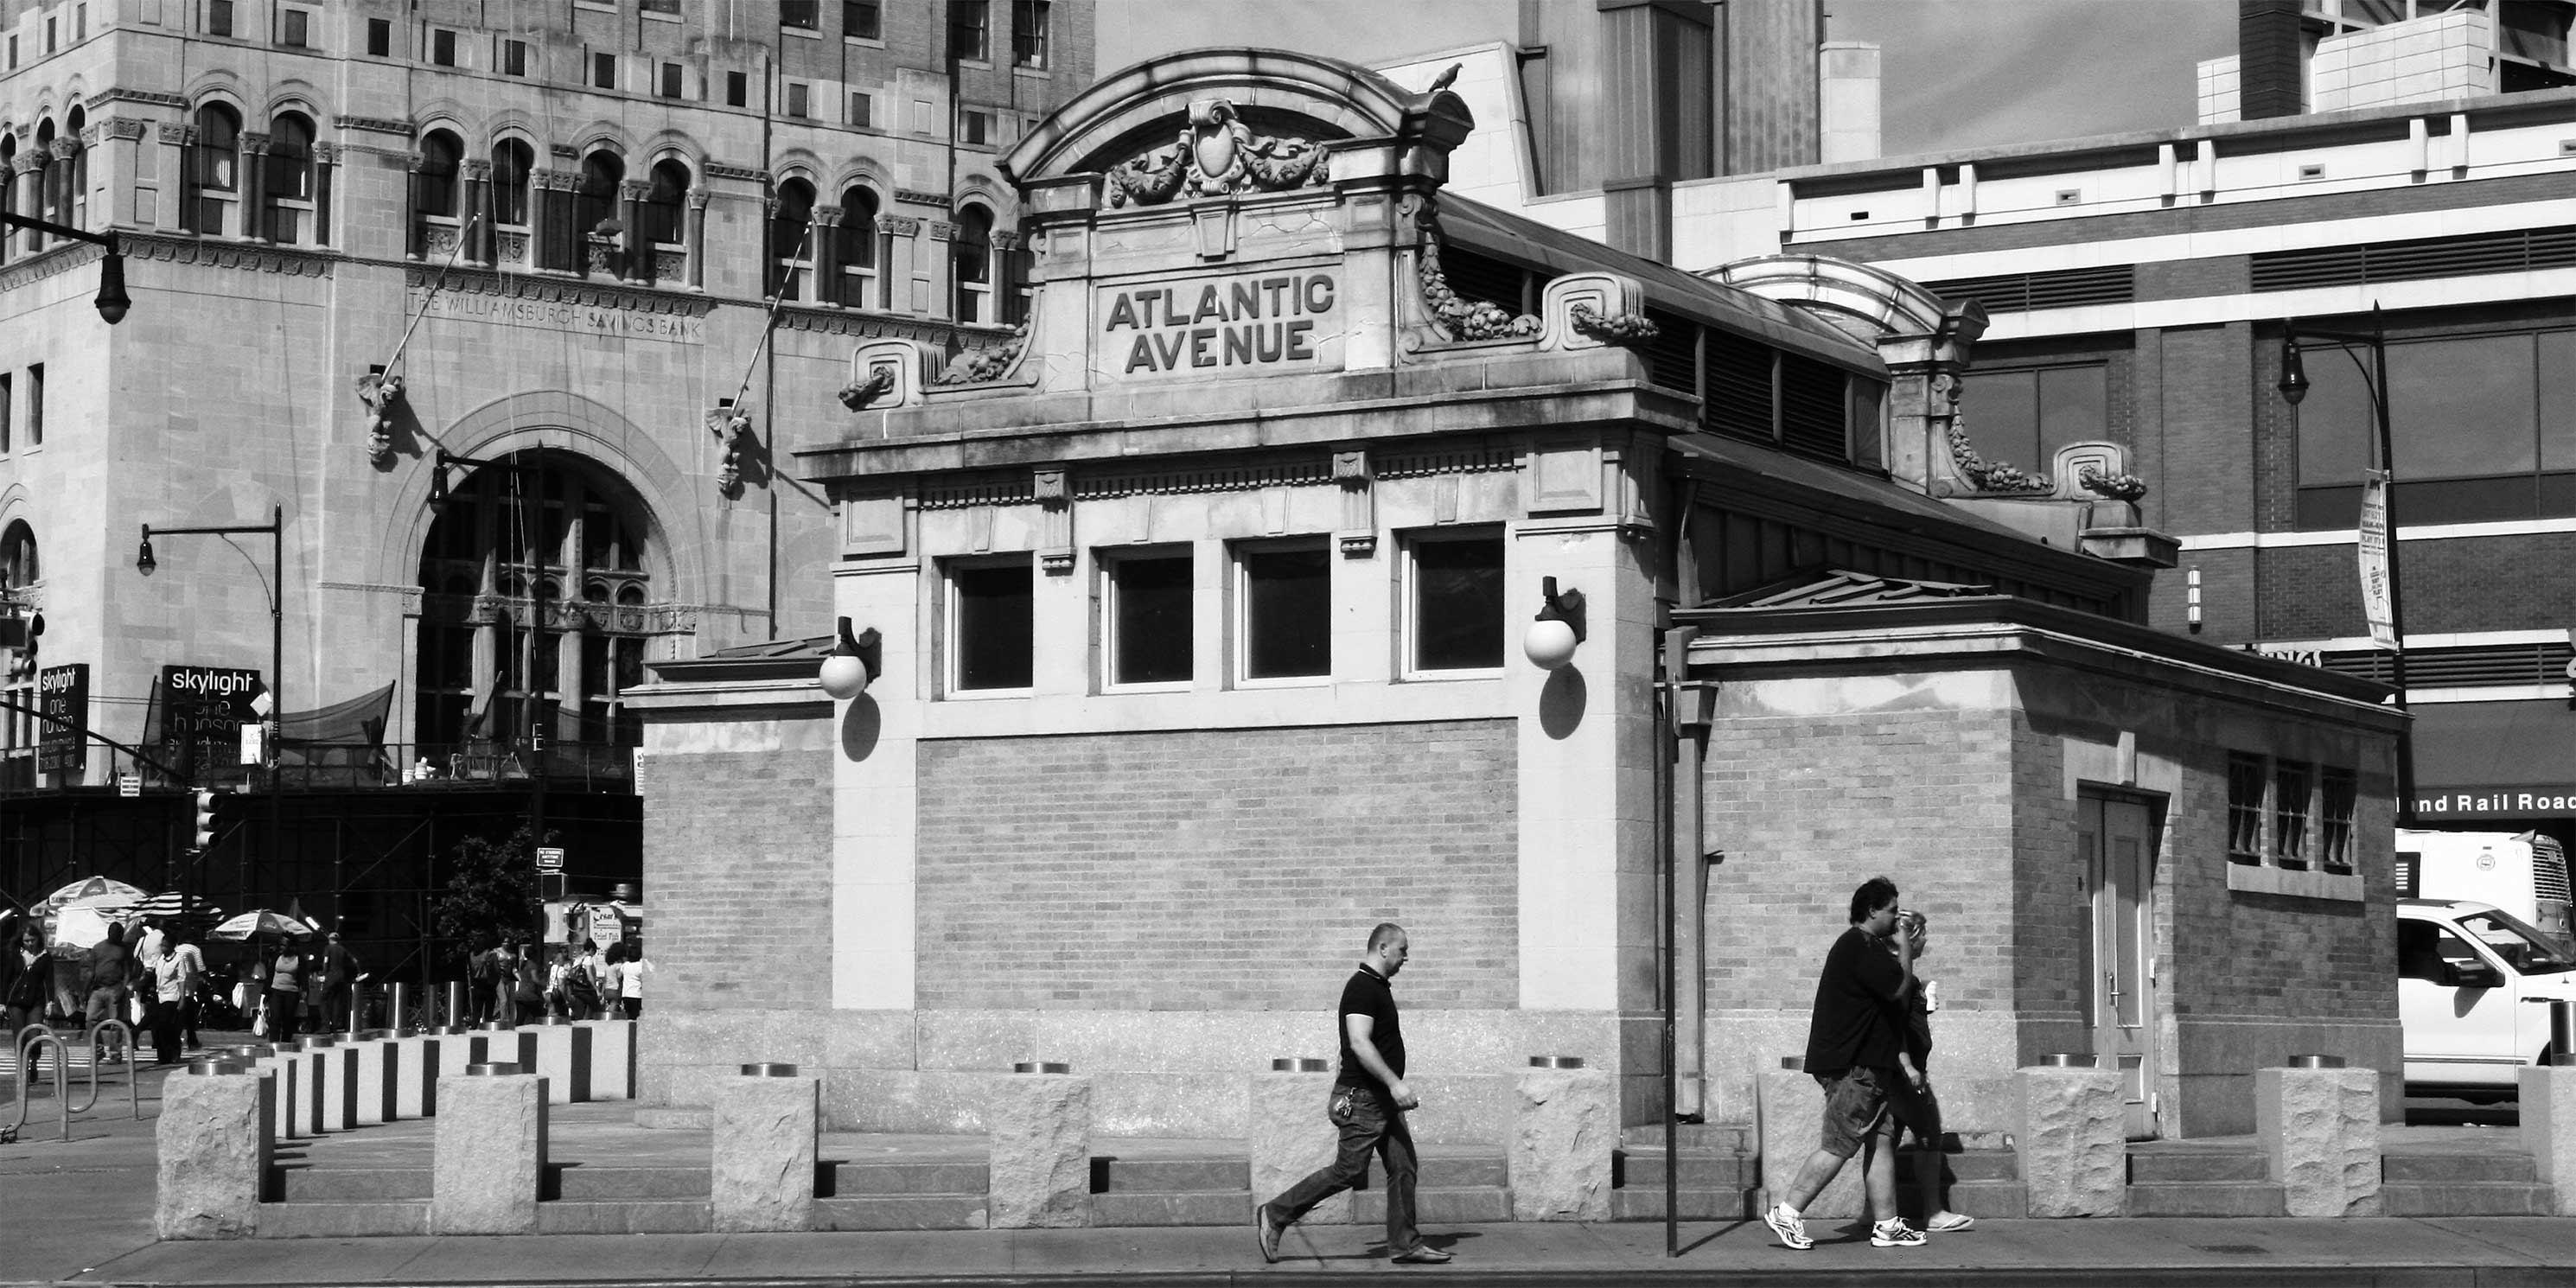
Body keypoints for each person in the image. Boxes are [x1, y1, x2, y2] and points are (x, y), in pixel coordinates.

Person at [1255, 922, 1451, 1266]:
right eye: (1403, 950)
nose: (1407, 957)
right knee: (1347, 1171)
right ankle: (1275, 1213)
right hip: (1364, 1098)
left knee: (1403, 1165)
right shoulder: (1362, 988)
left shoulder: (1377, 987)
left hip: (1380, 1100)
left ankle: (1405, 1243)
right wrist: (1395, 1083)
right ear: (1383, 948)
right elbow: (1360, 1043)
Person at [1763, 876, 1924, 1251]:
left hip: (1872, 1066)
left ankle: (1886, 1224)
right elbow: (1900, 989)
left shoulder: (1866, 948)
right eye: (1891, 912)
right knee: (1839, 1144)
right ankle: (1787, 1212)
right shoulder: (1859, 945)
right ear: (1871, 911)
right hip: (1856, 1068)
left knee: (1881, 1140)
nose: (1895, 920)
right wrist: (1905, 947)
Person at [1889, 909, 1973, 1234]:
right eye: (1922, 935)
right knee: (1928, 1134)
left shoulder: (1905, 979)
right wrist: (1908, 1065)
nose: (1926, 941)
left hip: (1902, 1070)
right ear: (1909, 938)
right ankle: (1933, 1211)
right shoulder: (1901, 979)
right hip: (1906, 1073)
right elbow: (1893, 1027)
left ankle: (1877, 1213)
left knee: (1886, 1140)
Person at [83, 921, 134, 1062]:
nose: (117, 936)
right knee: (90, 1019)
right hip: (98, 988)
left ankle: (115, 1053)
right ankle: (98, 1050)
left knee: (115, 1023)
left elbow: (128, 972)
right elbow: (91, 971)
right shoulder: (98, 948)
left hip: (115, 988)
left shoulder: (124, 950)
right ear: (109, 933)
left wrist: (123, 988)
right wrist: (86, 990)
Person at [4, 922, 53, 1040]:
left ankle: (34, 1056)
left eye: (32, 940)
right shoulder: (15, 955)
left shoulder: (45, 956)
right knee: (20, 1034)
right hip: (16, 1000)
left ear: (38, 939)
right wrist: (2, 1002)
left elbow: (49, 981)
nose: (30, 944)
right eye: (26, 941)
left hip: (36, 1001)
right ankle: (21, 1057)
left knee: (34, 1034)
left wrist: (50, 1002)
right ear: (22, 941)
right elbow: (6, 979)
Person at [168, 928, 207, 1051]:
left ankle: (188, 1040)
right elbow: (201, 968)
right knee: (189, 1016)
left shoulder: (176, 949)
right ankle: (190, 1041)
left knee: (180, 1016)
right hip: (189, 986)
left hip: (176, 986)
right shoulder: (194, 950)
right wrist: (205, 979)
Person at [318, 932, 363, 1034]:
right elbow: (355, 960)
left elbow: (326, 962)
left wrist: (323, 974)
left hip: (331, 977)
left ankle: (325, 1026)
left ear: (329, 939)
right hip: (341, 978)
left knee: (323, 1000)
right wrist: (359, 972)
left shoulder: (328, 948)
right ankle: (334, 1026)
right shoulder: (343, 949)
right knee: (336, 1001)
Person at [266, 939, 310, 1042]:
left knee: (288, 1019)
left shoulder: (299, 959)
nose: (281, 947)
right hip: (276, 990)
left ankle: (286, 1042)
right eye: (280, 945)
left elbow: (304, 976)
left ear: (291, 947)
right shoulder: (276, 957)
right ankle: (274, 1042)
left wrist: (305, 990)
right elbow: (270, 975)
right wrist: (265, 992)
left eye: (284, 945)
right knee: (275, 1018)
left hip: (291, 992)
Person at [613, 941, 653, 1019]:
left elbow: (618, 976)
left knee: (629, 1016)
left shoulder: (625, 965)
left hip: (626, 995)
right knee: (636, 1017)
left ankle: (630, 1030)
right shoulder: (640, 966)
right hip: (637, 995)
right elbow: (644, 980)